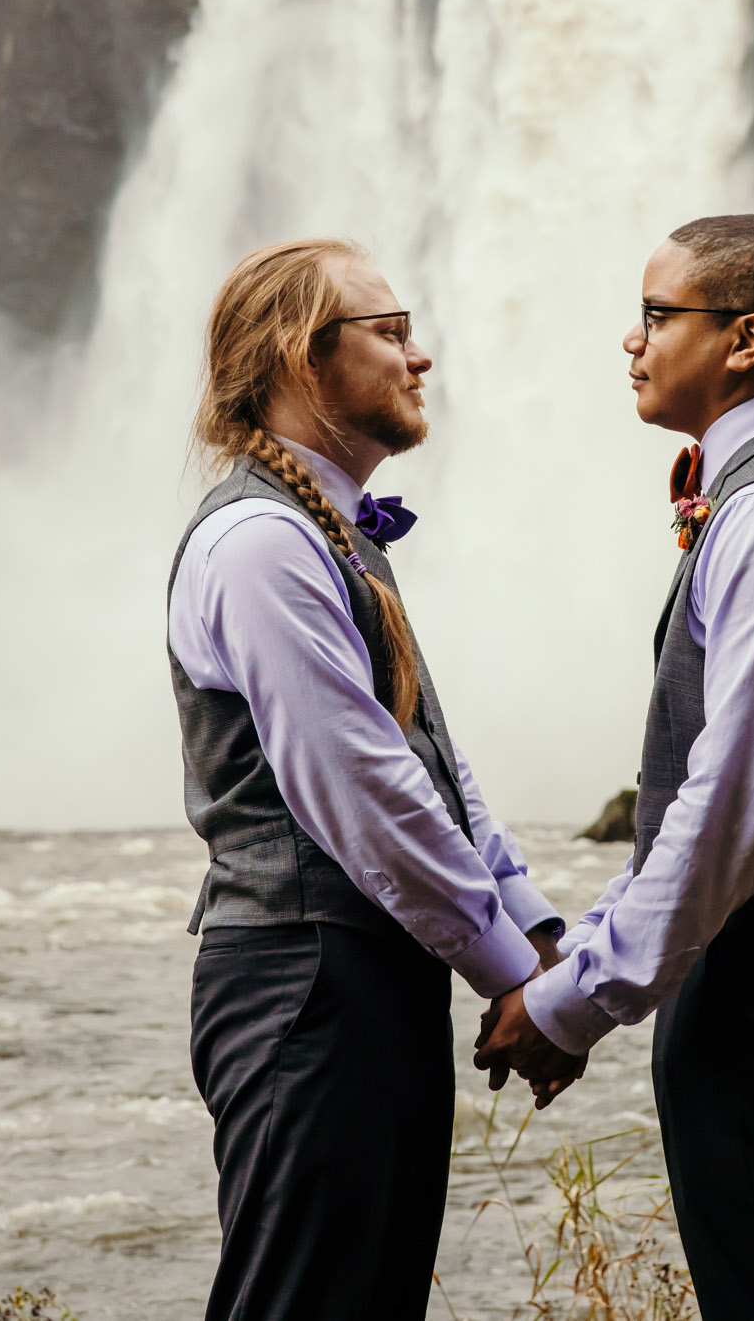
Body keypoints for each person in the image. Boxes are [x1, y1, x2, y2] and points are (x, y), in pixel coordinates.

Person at [475, 214, 754, 1321]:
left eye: (654, 315)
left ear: (745, 337)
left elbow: (736, 806)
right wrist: (581, 957)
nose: (630, 342)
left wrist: (576, 1000)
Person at [169, 236, 565, 1321]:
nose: (418, 356)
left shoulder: (331, 531)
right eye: (389, 333)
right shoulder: (260, 541)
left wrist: (532, 931)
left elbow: (428, 759)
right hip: (301, 983)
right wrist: (509, 977)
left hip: (362, 978)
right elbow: (359, 792)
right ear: (302, 357)